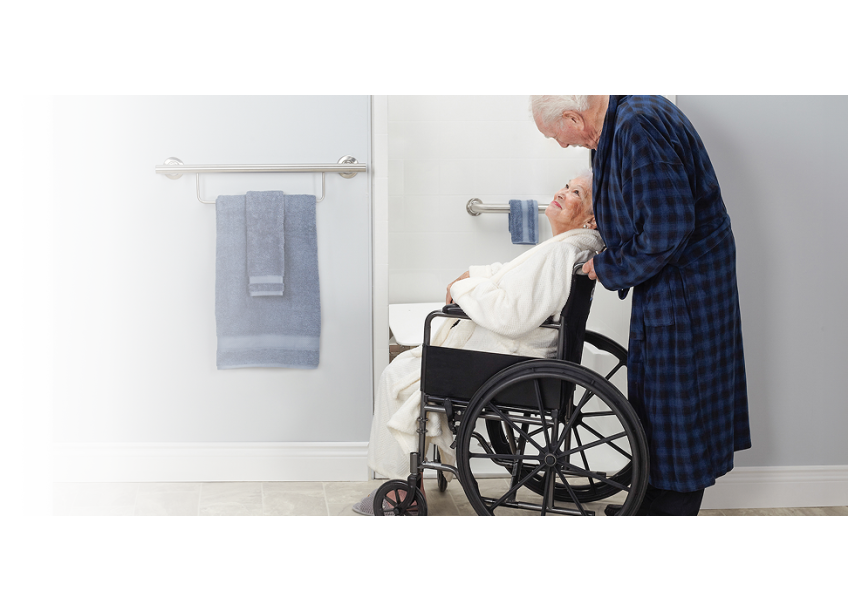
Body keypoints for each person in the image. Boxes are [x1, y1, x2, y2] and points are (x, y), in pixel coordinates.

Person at [531, 95, 751, 516]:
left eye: (559, 136)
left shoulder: (637, 125)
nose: (562, 145)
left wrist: (608, 265)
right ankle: (648, 500)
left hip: (687, 284)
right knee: (655, 401)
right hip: (667, 278)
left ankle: (671, 507)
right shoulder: (617, 126)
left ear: (573, 116)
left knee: (682, 403)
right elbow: (644, 205)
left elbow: (669, 228)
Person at [353, 171, 603, 515]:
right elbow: (516, 278)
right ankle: (412, 479)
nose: (562, 192)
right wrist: (477, 274)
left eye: (576, 193)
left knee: (397, 373)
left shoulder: (561, 252)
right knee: (406, 369)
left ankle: (403, 489)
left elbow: (513, 316)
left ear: (591, 218)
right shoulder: (569, 248)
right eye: (565, 185)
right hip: (521, 355)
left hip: (508, 359)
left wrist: (463, 289)